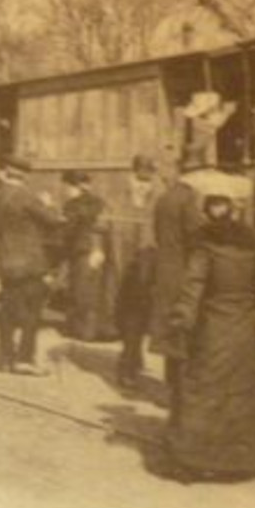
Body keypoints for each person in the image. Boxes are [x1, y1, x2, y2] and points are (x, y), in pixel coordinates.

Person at [162, 194, 255, 483]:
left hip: (213, 326)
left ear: (207, 214)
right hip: (242, 328)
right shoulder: (250, 240)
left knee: (202, 387)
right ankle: (244, 459)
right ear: (232, 212)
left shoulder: (204, 243)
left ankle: (193, 459)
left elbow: (194, 284)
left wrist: (180, 319)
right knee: (241, 391)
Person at [0, 157, 62, 375]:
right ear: (25, 175)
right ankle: (25, 359)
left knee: (7, 309)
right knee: (32, 311)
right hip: (29, 264)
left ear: (6, 172)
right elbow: (53, 221)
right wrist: (49, 204)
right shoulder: (28, 198)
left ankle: (4, 358)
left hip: (5, 263)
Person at [148, 147, 209, 417]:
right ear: (193, 173)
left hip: (166, 271)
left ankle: (171, 389)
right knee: (187, 333)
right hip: (184, 275)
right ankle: (182, 396)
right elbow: (197, 239)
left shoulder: (165, 198)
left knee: (172, 333)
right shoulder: (189, 200)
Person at [112, 156, 164, 388]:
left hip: (148, 263)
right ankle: (130, 360)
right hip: (122, 262)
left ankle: (130, 361)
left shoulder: (160, 197)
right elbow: (106, 225)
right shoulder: (119, 194)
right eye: (139, 178)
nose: (143, 184)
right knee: (127, 315)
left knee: (138, 315)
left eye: (147, 179)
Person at [60, 170, 119, 341]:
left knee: (81, 292)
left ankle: (84, 331)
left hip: (82, 251)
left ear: (74, 187)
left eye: (67, 187)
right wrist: (100, 249)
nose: (65, 191)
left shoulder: (72, 205)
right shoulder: (99, 202)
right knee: (97, 292)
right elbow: (105, 226)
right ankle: (101, 329)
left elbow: (68, 230)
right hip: (99, 251)